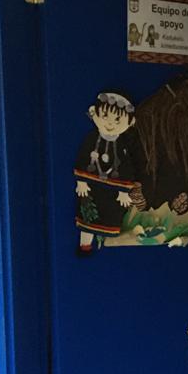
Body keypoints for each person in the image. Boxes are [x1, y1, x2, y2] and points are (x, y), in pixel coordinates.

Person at [73, 91, 146, 253]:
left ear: (130, 122)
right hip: (91, 189)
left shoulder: (123, 146)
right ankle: (85, 246)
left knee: (110, 218)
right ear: (94, 113)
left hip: (113, 192)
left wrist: (124, 191)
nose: (110, 123)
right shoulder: (91, 139)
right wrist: (81, 181)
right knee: (88, 219)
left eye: (117, 119)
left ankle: (107, 243)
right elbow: (82, 159)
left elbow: (126, 167)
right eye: (105, 116)